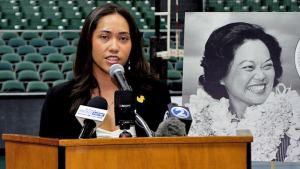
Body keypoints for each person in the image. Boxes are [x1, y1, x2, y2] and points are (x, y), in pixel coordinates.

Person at [39, 4, 171, 139]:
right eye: (104, 37)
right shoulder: (59, 98)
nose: (114, 47)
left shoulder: (156, 92)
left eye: (123, 38)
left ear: (132, 45)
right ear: (89, 41)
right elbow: (49, 158)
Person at [186, 22, 300, 162]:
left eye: (267, 66)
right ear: (220, 75)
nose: (261, 75)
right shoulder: (200, 123)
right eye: (248, 67)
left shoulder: (294, 120)